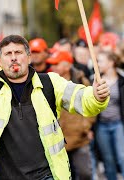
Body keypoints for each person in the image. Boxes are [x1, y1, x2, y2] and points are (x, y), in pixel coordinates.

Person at [0, 23, 110, 180]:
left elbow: (81, 98)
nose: (14, 58)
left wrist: (97, 96)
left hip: (46, 176)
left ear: (29, 57)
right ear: (0, 60)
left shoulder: (50, 82)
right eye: (8, 54)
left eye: (18, 53)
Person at [47, 51, 95, 180]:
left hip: (80, 138)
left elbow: (91, 105)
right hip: (59, 141)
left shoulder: (81, 81)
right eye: (52, 64)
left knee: (86, 173)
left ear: (67, 66)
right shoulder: (48, 83)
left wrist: (86, 126)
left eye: (57, 63)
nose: (54, 67)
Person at [95, 51, 124, 180]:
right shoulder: (95, 80)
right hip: (102, 126)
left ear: (111, 62)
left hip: (119, 124)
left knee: (123, 157)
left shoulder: (123, 80)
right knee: (108, 160)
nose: (98, 64)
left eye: (101, 61)